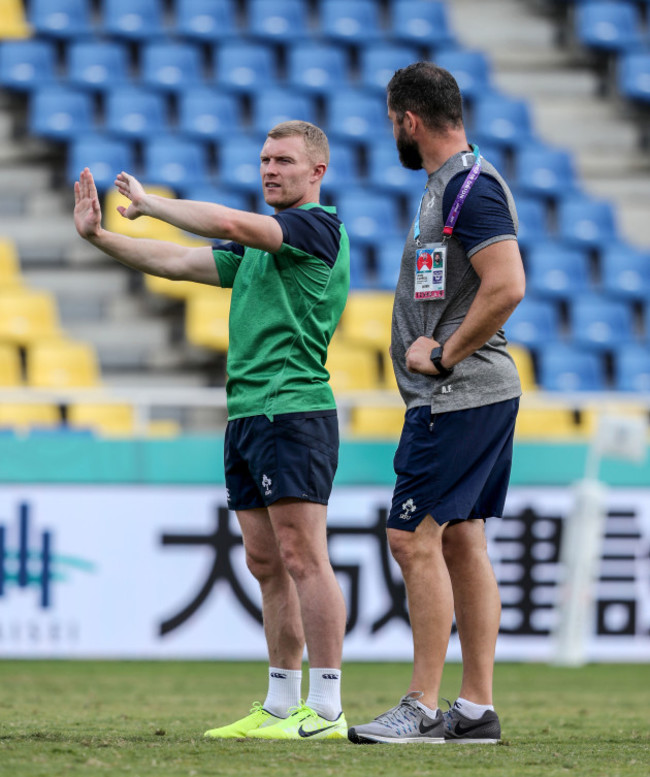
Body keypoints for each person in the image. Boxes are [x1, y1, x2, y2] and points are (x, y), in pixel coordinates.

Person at [73, 120, 350, 741]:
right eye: (264, 160)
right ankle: (281, 704)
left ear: (317, 173)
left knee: (305, 556)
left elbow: (225, 223)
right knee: (265, 561)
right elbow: (174, 261)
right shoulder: (263, 247)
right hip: (249, 413)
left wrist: (150, 204)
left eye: (283, 160)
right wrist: (100, 237)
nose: (270, 169)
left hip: (293, 410)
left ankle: (327, 709)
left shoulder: (314, 228)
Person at [347, 63, 526, 745]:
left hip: (457, 392)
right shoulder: (451, 185)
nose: (391, 128)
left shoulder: (470, 189)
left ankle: (421, 705)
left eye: (392, 118)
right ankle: (475, 709)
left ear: (408, 120)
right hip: (469, 394)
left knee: (410, 536)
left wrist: (445, 353)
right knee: (460, 537)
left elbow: (507, 284)